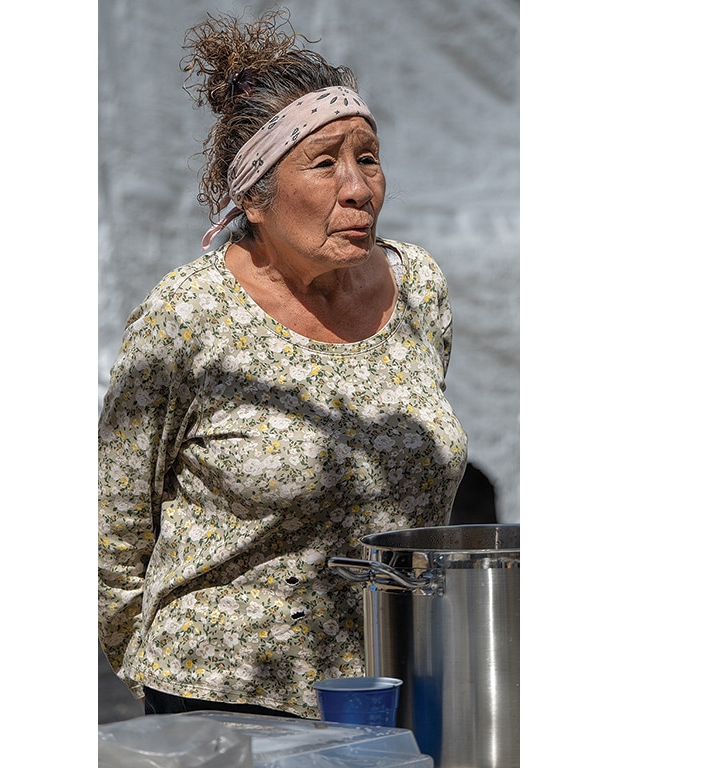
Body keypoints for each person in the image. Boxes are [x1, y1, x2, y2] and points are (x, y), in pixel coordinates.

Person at [97, 8, 469, 720]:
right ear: (253, 199)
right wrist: (156, 679)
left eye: (368, 156)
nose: (358, 188)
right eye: (325, 163)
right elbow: (113, 526)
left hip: (395, 685)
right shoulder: (189, 317)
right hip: (226, 704)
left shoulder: (417, 285)